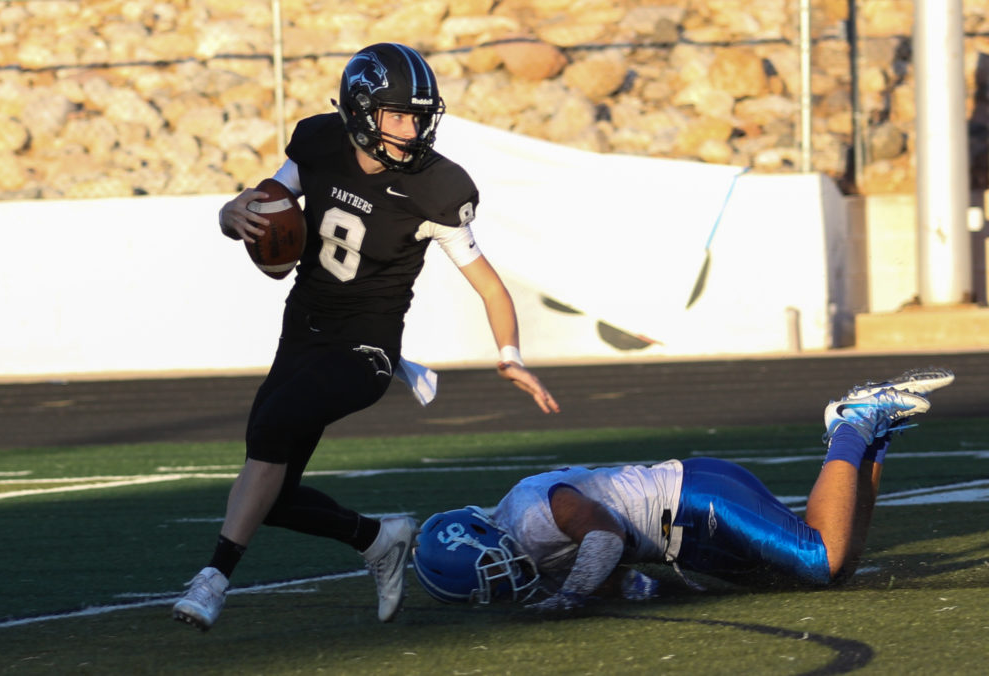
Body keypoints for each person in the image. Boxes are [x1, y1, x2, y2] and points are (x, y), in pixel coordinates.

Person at [172, 42, 559, 631]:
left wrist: (509, 355)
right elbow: (262, 205)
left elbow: (490, 286)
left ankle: (214, 579)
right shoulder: (320, 142)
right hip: (302, 328)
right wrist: (230, 215)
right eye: (398, 114)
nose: (412, 129)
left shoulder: (438, 187)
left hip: (367, 348)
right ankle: (379, 538)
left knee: (273, 434)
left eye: (419, 116)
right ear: (360, 110)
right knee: (270, 493)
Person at [412, 367, 954, 609]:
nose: (502, 579)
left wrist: (571, 597)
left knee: (819, 559)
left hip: (694, 503)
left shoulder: (530, 516)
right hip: (686, 526)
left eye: (491, 570)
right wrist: (628, 591)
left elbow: (602, 538)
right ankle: (873, 440)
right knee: (828, 572)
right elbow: (618, 574)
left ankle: (853, 422)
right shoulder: (523, 535)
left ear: (484, 534)